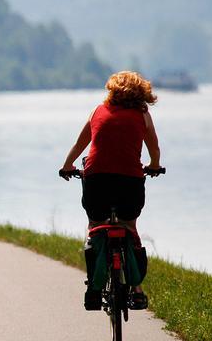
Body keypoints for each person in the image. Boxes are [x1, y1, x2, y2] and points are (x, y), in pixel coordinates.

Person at [59, 70, 162, 310]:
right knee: (129, 226)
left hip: (97, 181)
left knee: (95, 226)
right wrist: (154, 167)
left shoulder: (97, 111)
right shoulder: (143, 114)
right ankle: (137, 290)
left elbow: (80, 144)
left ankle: (93, 289)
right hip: (130, 182)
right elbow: (154, 148)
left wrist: (67, 166)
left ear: (112, 90)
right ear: (141, 93)